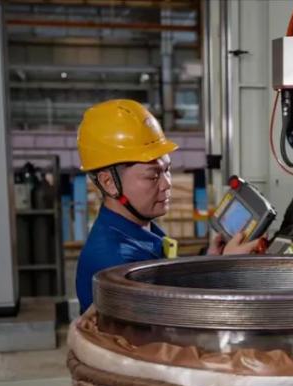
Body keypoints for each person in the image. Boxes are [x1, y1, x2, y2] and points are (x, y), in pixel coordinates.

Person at [75, 99, 258, 313]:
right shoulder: (115, 261)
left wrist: (209, 263)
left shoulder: (140, 232)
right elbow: (172, 320)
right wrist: (226, 271)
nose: (167, 184)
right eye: (153, 176)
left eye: (167, 169)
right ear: (109, 182)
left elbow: (169, 285)